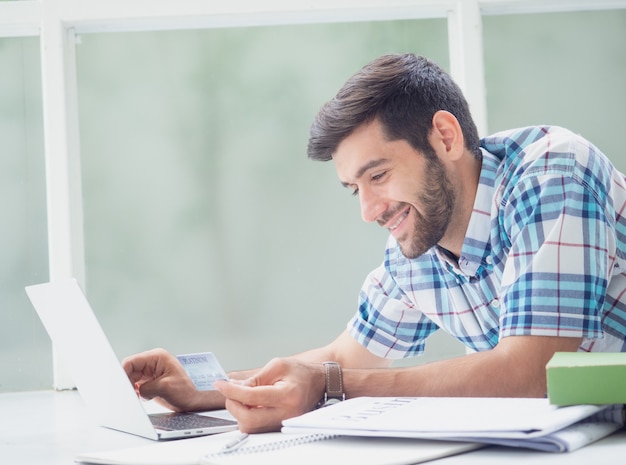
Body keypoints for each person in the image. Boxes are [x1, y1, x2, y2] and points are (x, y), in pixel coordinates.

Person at [123, 53, 626, 434]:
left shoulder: (552, 173)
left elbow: (532, 370)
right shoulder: (416, 246)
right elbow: (340, 357)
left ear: (445, 138)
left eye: (378, 175)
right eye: (354, 190)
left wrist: (328, 388)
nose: (369, 210)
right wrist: (204, 391)